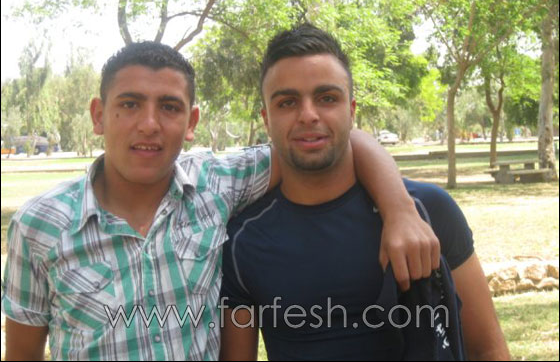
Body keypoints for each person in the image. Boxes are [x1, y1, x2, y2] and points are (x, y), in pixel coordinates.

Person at [2, 41, 438, 361]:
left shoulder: (217, 185)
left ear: (191, 121)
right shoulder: (40, 226)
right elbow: (22, 354)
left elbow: (333, 139)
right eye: (130, 104)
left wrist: (399, 210)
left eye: (169, 107)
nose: (149, 124)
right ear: (99, 115)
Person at [219, 24, 510, 361]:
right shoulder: (242, 241)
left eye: (327, 98)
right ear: (266, 119)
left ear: (352, 110)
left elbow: (488, 350)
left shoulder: (428, 210)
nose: (308, 115)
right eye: (287, 102)